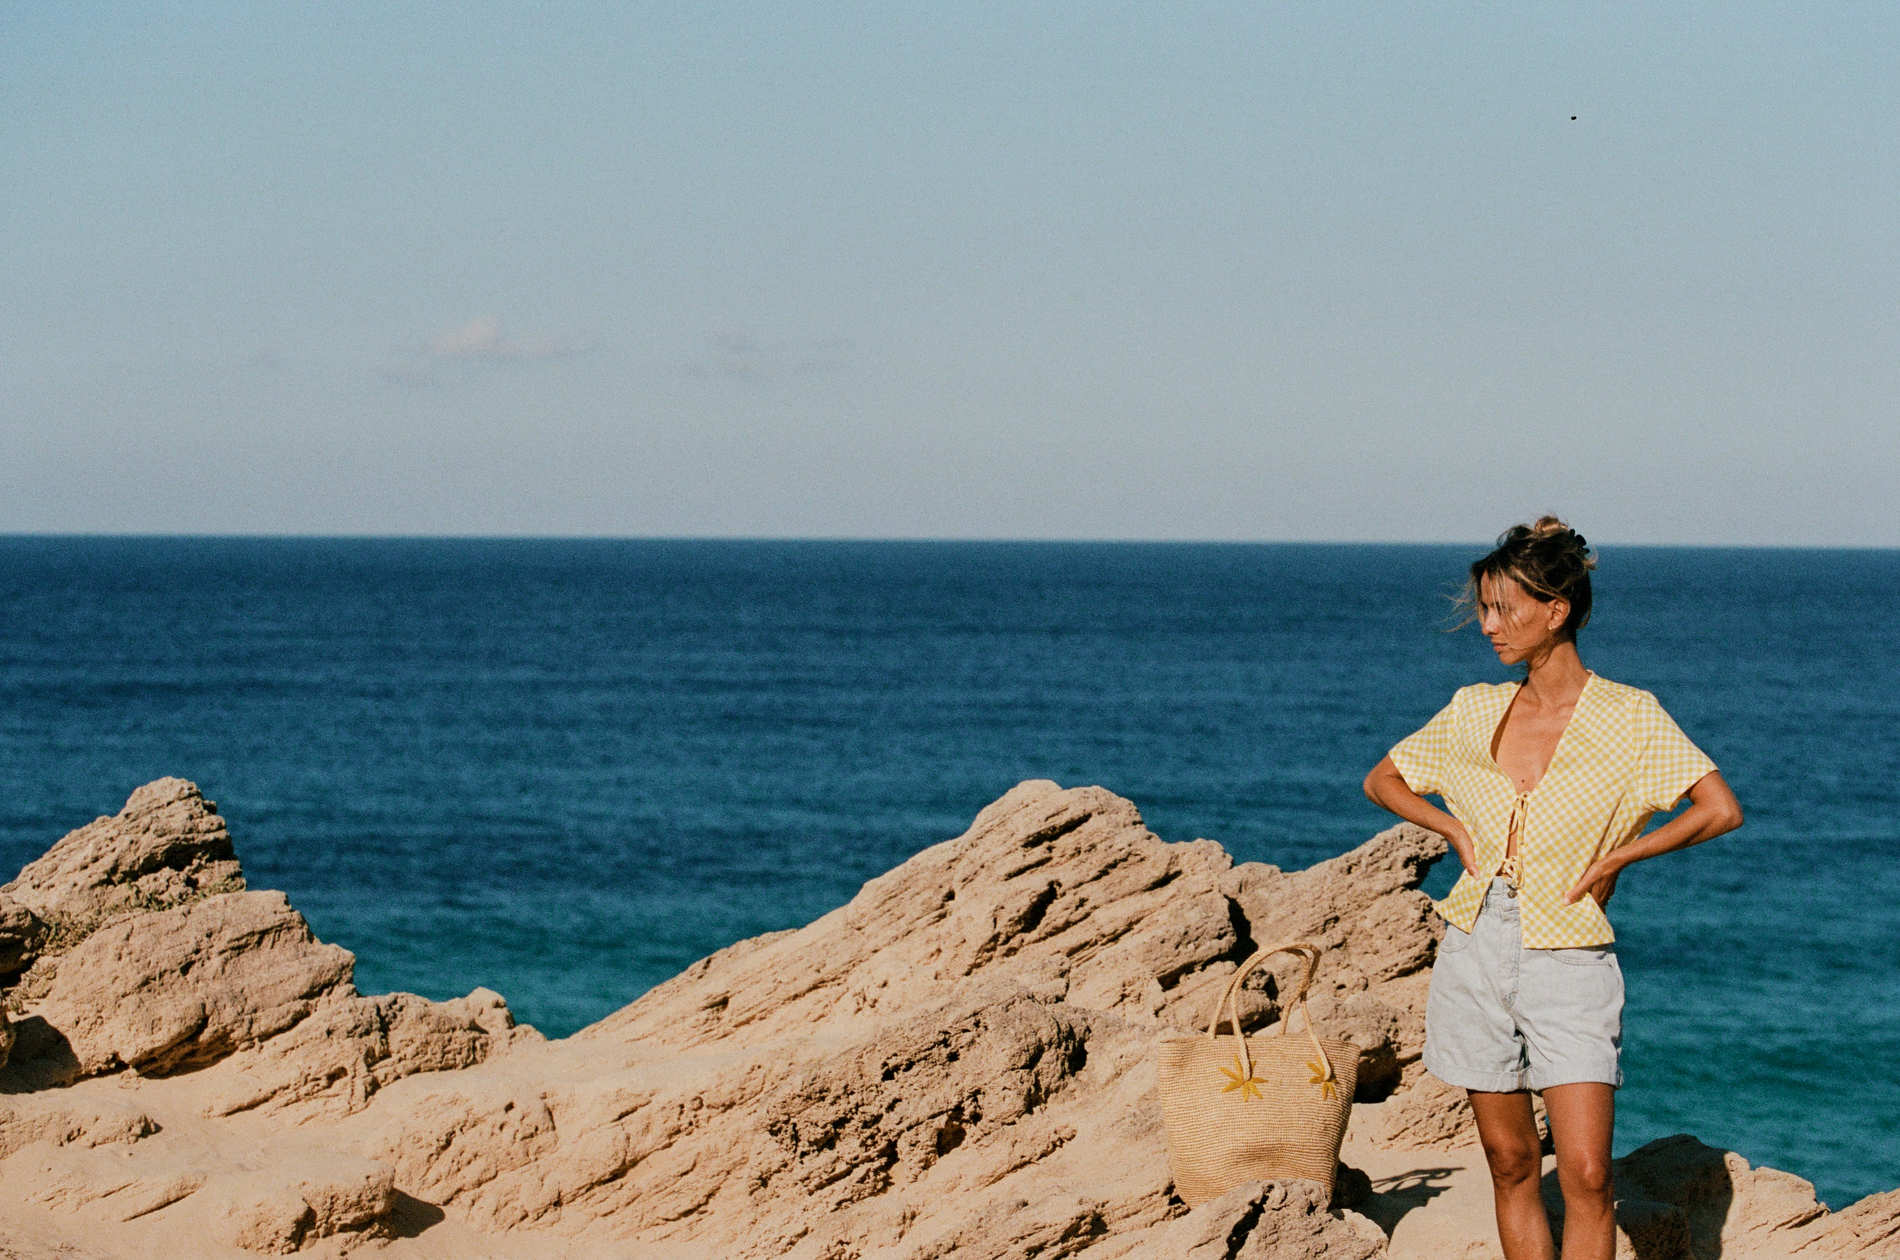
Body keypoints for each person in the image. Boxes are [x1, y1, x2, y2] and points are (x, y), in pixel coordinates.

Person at [1363, 518, 1743, 1260]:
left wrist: (1619, 858)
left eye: (1503, 609)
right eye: (1483, 609)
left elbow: (1719, 808)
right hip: (1473, 946)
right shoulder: (1473, 708)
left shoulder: (1630, 715)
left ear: (1556, 610)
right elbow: (1383, 779)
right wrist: (1454, 830)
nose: (1487, 627)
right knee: (1509, 1164)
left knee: (1590, 1174)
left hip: (1569, 953)